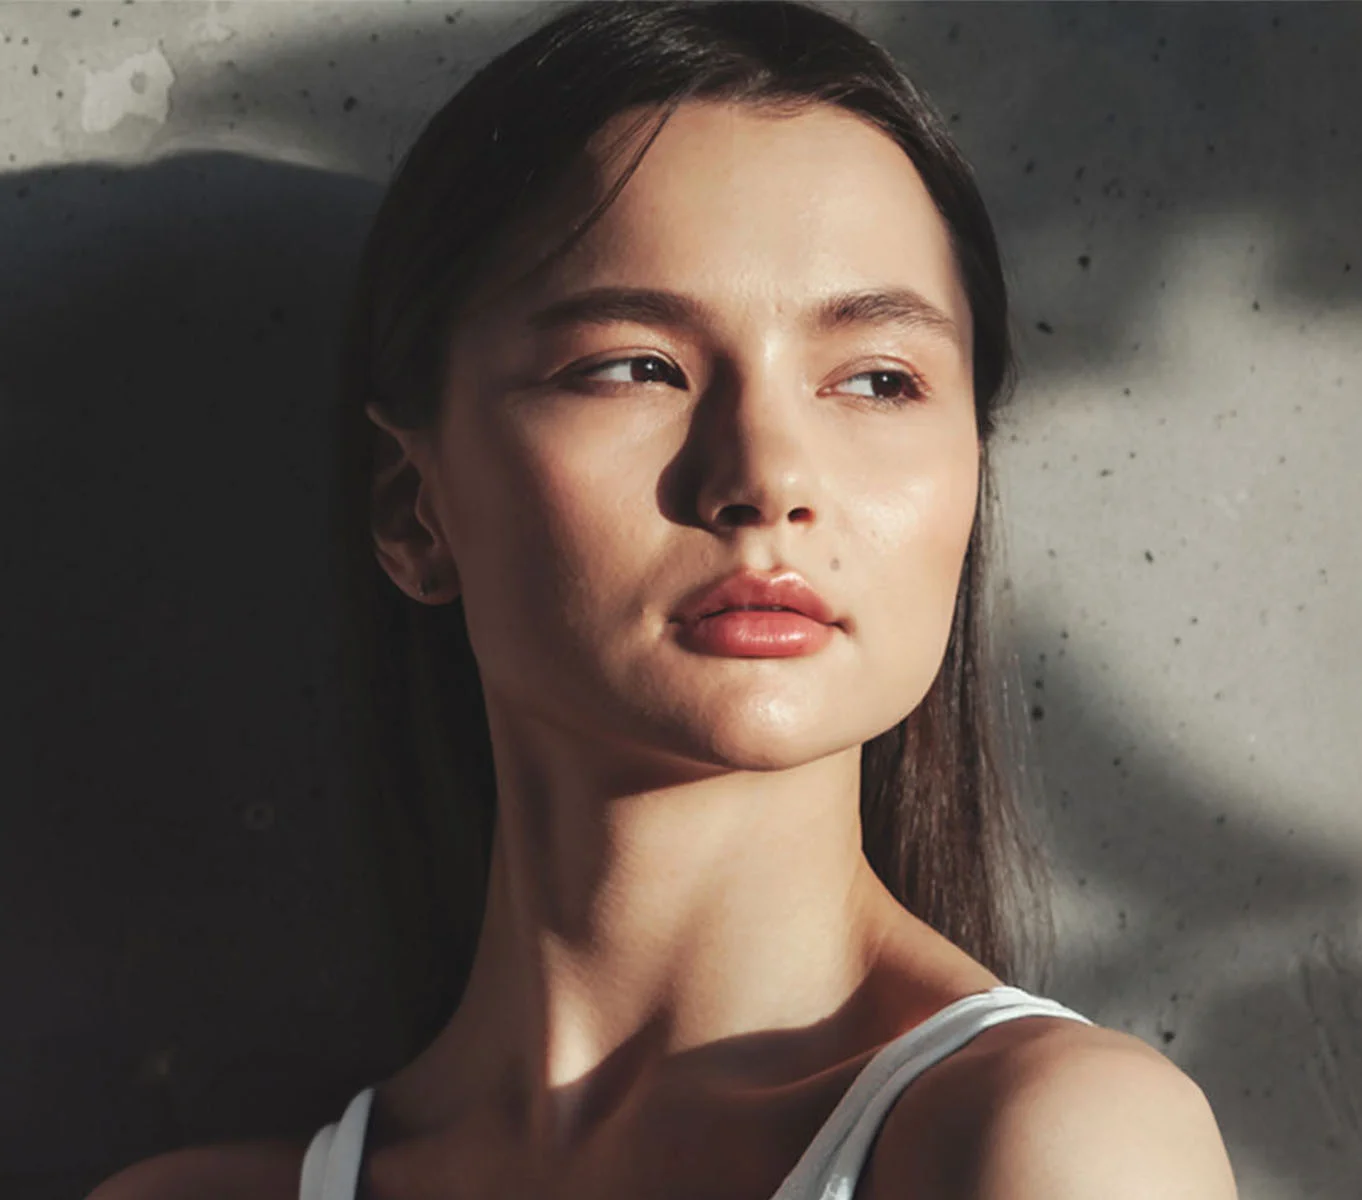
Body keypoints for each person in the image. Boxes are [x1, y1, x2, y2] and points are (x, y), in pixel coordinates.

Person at [93, 2, 1238, 1197]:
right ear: (410, 505)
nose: (766, 477)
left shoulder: (1054, 1141)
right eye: (635, 365)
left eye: (878, 379)